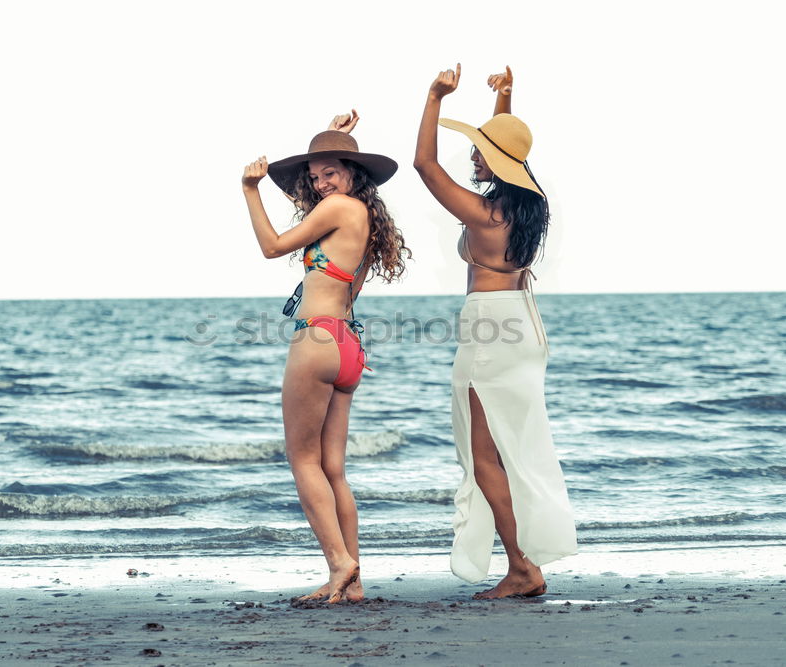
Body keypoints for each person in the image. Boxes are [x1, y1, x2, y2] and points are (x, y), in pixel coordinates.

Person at [413, 65, 576, 599]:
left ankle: (522, 568)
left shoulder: (485, 214)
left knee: (483, 457)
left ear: (499, 161)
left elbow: (424, 164)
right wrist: (504, 98)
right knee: (509, 450)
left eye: (482, 150)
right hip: (525, 325)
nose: (475, 156)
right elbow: (505, 149)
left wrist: (434, 97)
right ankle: (522, 561)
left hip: (489, 330)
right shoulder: (528, 206)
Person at [242, 111, 410, 603]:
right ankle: (352, 582)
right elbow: (308, 213)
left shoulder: (338, 209)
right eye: (315, 177)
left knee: (302, 460)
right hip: (347, 344)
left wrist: (250, 190)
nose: (320, 184)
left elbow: (273, 246)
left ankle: (339, 563)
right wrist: (335, 142)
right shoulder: (358, 217)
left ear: (354, 173)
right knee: (332, 467)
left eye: (331, 172)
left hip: (316, 340)